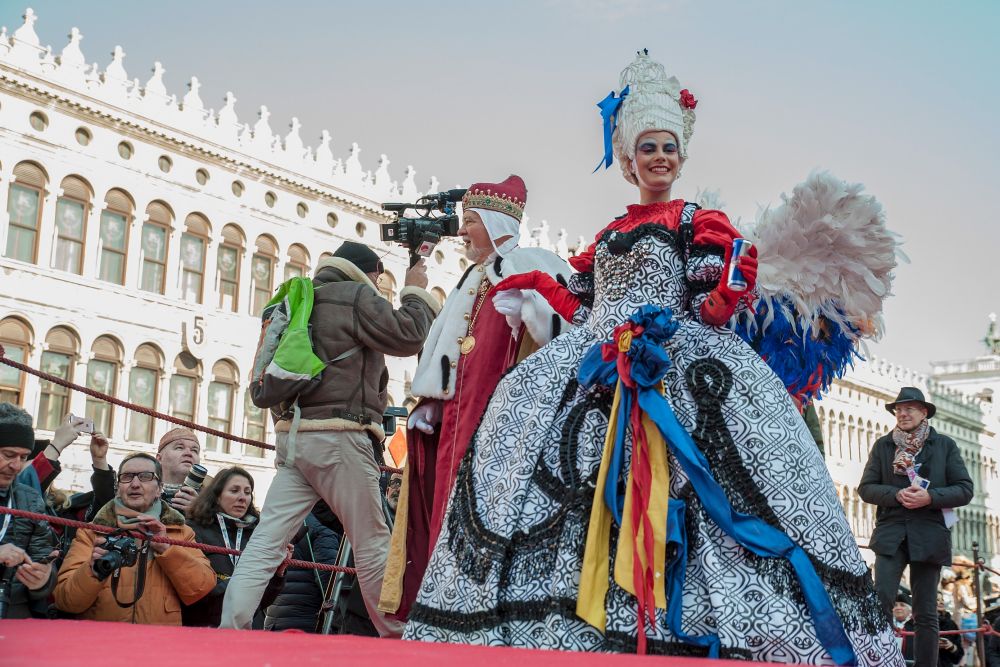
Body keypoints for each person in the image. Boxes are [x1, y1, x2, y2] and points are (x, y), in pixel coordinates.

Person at [405, 51, 900, 663]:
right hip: (599, 359)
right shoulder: (610, 233)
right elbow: (584, 302)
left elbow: (711, 308)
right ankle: (571, 622)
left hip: (673, 361)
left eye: (668, 147)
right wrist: (528, 286)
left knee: (700, 488)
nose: (659, 157)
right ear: (628, 159)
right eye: (648, 148)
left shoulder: (696, 221)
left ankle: (681, 620)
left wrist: (730, 290)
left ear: (681, 155)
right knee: (546, 447)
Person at [221, 241, 439, 636]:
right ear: (367, 272)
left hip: (293, 437)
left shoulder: (303, 297)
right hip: (340, 436)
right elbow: (408, 336)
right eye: (378, 277)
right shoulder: (353, 295)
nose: (378, 284)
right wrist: (415, 291)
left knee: (267, 540)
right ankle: (395, 634)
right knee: (372, 540)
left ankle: (230, 627)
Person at [380, 175, 572, 619]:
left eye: (470, 221)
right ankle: (441, 604)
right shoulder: (473, 277)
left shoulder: (531, 261)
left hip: (504, 424)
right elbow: (446, 346)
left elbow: (567, 328)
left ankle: (480, 609)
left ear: (494, 220)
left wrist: (533, 308)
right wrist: (432, 398)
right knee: (446, 507)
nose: (462, 231)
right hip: (457, 423)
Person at [860, 386, 974, 667]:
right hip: (892, 533)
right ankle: (881, 661)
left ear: (924, 413)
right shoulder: (884, 445)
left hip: (929, 533)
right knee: (882, 598)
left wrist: (930, 497)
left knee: (925, 611)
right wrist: (896, 495)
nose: (902, 413)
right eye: (899, 409)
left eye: (909, 408)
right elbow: (866, 488)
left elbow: (964, 489)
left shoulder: (944, 445)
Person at [53, 452, 216, 624]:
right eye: (127, 477)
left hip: (159, 643)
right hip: (102, 641)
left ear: (160, 488)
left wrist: (167, 550)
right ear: (118, 488)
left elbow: (201, 589)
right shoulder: (92, 532)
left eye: (146, 477)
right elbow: (66, 601)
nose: (135, 484)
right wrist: (92, 570)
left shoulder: (180, 532)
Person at [183, 466, 288, 627]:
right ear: (216, 496)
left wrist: (278, 574)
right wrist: (242, 586)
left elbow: (263, 601)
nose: (242, 498)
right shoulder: (193, 530)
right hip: (206, 628)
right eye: (234, 490)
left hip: (250, 631)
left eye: (247, 492)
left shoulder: (258, 535)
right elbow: (195, 587)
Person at [0, 403, 58, 619]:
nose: (16, 466)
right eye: (9, 455)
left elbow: (44, 559)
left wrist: (43, 580)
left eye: (23, 457)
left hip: (13, 612)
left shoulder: (30, 498)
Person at [264, 505, 341, 633]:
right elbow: (330, 583)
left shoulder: (278, 519)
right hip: (307, 623)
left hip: (274, 621)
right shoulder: (322, 526)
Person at [902, 594, 964, 666]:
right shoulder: (912, 624)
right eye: (937, 599)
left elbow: (958, 657)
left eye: (942, 600)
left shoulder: (951, 624)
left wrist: (951, 646)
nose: (941, 602)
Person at [156, 427, 204, 516]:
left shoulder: (214, 499)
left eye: (194, 450)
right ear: (159, 458)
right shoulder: (142, 491)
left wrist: (201, 513)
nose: (188, 453)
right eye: (179, 448)